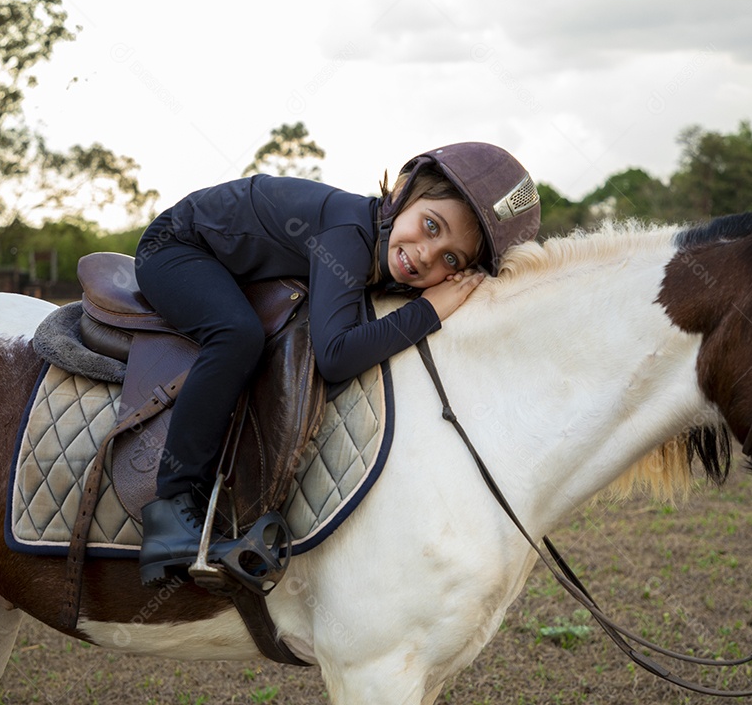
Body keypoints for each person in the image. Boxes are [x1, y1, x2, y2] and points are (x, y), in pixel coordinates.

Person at [135, 141, 541, 588]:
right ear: (402, 192)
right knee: (237, 335)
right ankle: (171, 508)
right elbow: (334, 356)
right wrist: (428, 310)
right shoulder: (347, 232)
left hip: (220, 257)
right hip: (175, 246)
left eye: (451, 259)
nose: (427, 254)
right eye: (430, 225)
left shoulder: (377, 246)